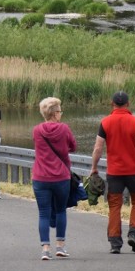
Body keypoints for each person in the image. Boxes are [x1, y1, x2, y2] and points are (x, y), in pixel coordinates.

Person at [90, 91, 135, 255]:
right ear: (128, 104)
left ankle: (115, 244)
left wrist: (94, 168)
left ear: (112, 103)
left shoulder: (105, 122)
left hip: (114, 173)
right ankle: (133, 234)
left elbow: (98, 148)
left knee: (114, 207)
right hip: (134, 171)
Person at [33, 97, 76, 260]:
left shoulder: (37, 130)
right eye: (60, 111)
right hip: (60, 177)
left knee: (43, 213)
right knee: (60, 210)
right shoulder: (64, 129)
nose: (61, 114)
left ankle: (45, 249)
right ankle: (60, 246)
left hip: (40, 176)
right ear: (55, 113)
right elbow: (73, 146)